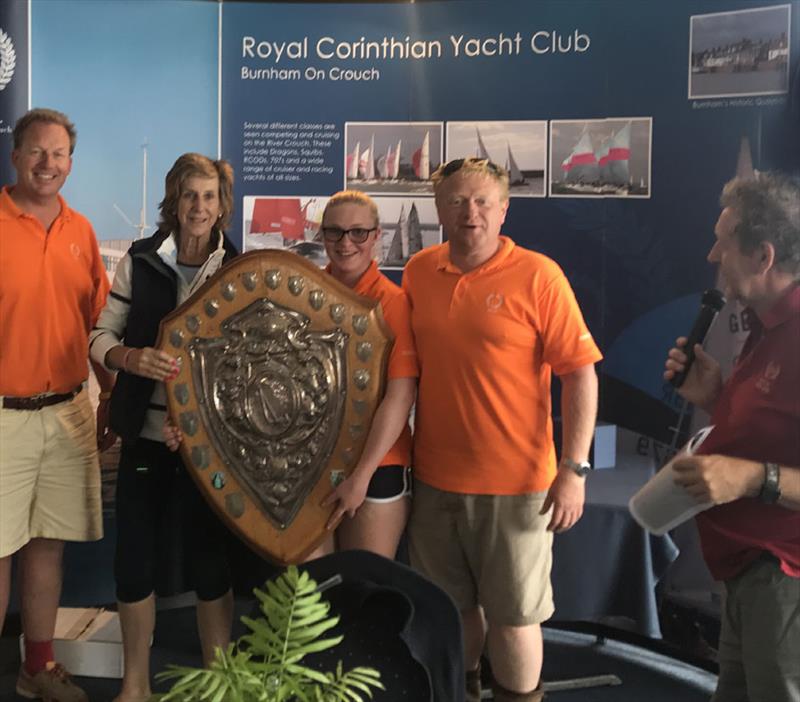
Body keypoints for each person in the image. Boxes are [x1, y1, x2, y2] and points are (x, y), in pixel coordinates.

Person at [401, 157, 602, 702]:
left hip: (517, 489)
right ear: (440, 209)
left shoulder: (540, 276)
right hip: (436, 481)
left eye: (483, 201)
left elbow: (580, 375)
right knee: (452, 610)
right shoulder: (419, 271)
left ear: (504, 208)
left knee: (514, 620)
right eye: (458, 201)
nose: (471, 213)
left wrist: (575, 469)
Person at [89, 153, 238, 702]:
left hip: (209, 449)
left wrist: (197, 422)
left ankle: (219, 682)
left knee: (210, 564)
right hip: (146, 440)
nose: (199, 207)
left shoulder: (237, 268)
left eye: (209, 196)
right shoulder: (139, 260)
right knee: (134, 562)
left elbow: (241, 368)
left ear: (222, 204)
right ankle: (134, 685)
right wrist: (129, 359)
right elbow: (98, 338)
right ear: (174, 202)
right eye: (189, 195)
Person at [663, 173, 800, 702]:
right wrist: (715, 397)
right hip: (749, 573)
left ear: (763, 255)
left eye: (723, 240)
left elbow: (758, 468)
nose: (711, 253)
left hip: (785, 576)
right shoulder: (764, 328)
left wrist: (748, 478)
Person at [0, 108, 112, 702]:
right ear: (15, 156)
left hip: (67, 411)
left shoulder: (82, 231)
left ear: (71, 162)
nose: (48, 163)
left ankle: (36, 669)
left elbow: (96, 326)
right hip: (1, 417)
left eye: (60, 153)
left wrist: (111, 398)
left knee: (48, 544)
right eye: (37, 152)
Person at [317, 190, 418, 558]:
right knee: (311, 591)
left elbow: (400, 395)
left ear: (377, 236)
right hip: (311, 462)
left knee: (364, 588)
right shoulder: (306, 294)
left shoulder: (393, 303)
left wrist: (361, 476)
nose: (346, 243)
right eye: (335, 232)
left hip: (377, 465)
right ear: (322, 235)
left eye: (358, 232)